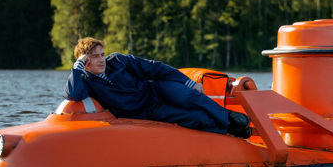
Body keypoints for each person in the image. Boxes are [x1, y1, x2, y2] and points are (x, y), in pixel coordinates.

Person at [64, 37, 252, 138]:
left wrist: (189, 82)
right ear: (85, 61)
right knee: (195, 118)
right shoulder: (85, 82)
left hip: (156, 89)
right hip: (146, 111)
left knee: (189, 97)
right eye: (95, 57)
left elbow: (156, 68)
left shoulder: (119, 61)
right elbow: (73, 94)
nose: (101, 60)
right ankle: (231, 130)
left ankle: (228, 116)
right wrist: (76, 68)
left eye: (102, 54)